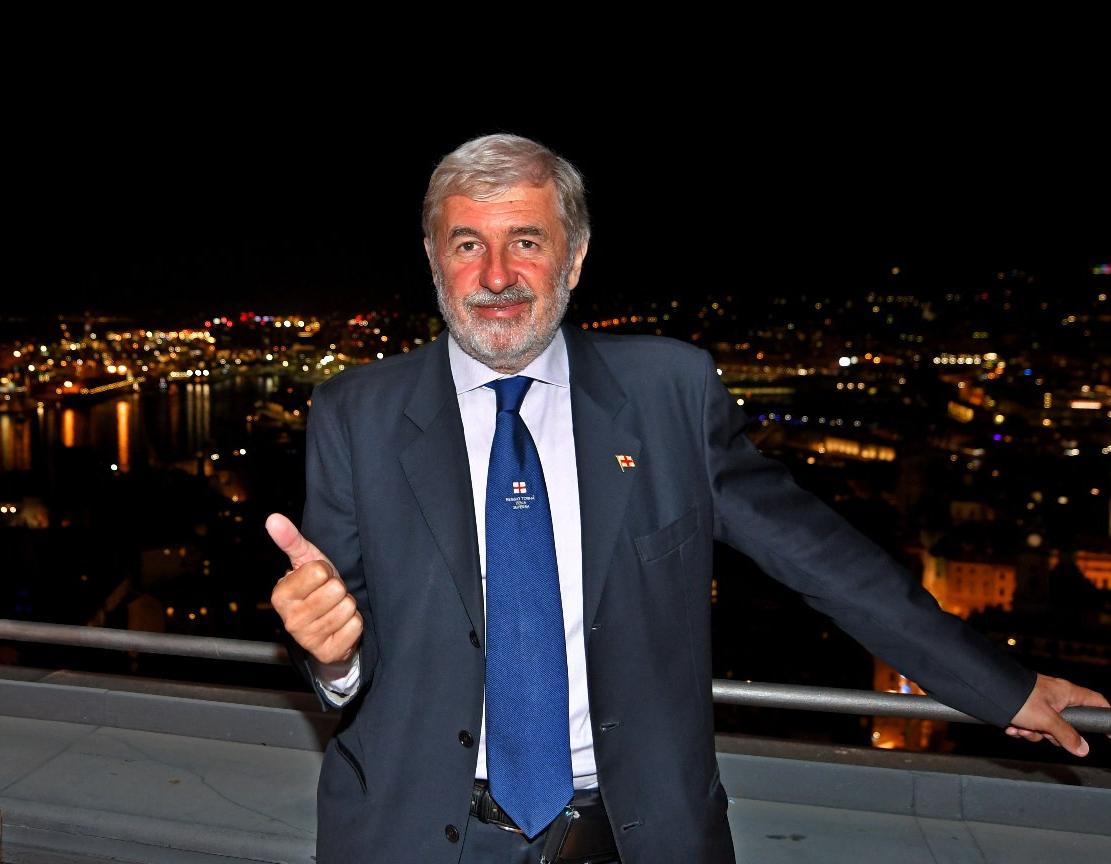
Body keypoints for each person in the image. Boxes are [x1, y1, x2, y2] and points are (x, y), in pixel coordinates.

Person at [264, 132, 1109, 864]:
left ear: (575, 257)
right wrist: (332, 653)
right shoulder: (355, 414)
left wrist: (999, 685)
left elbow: (821, 558)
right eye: (466, 244)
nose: (496, 275)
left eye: (526, 241)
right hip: (413, 838)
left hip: (633, 837)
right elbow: (341, 632)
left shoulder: (668, 392)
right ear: (432, 260)